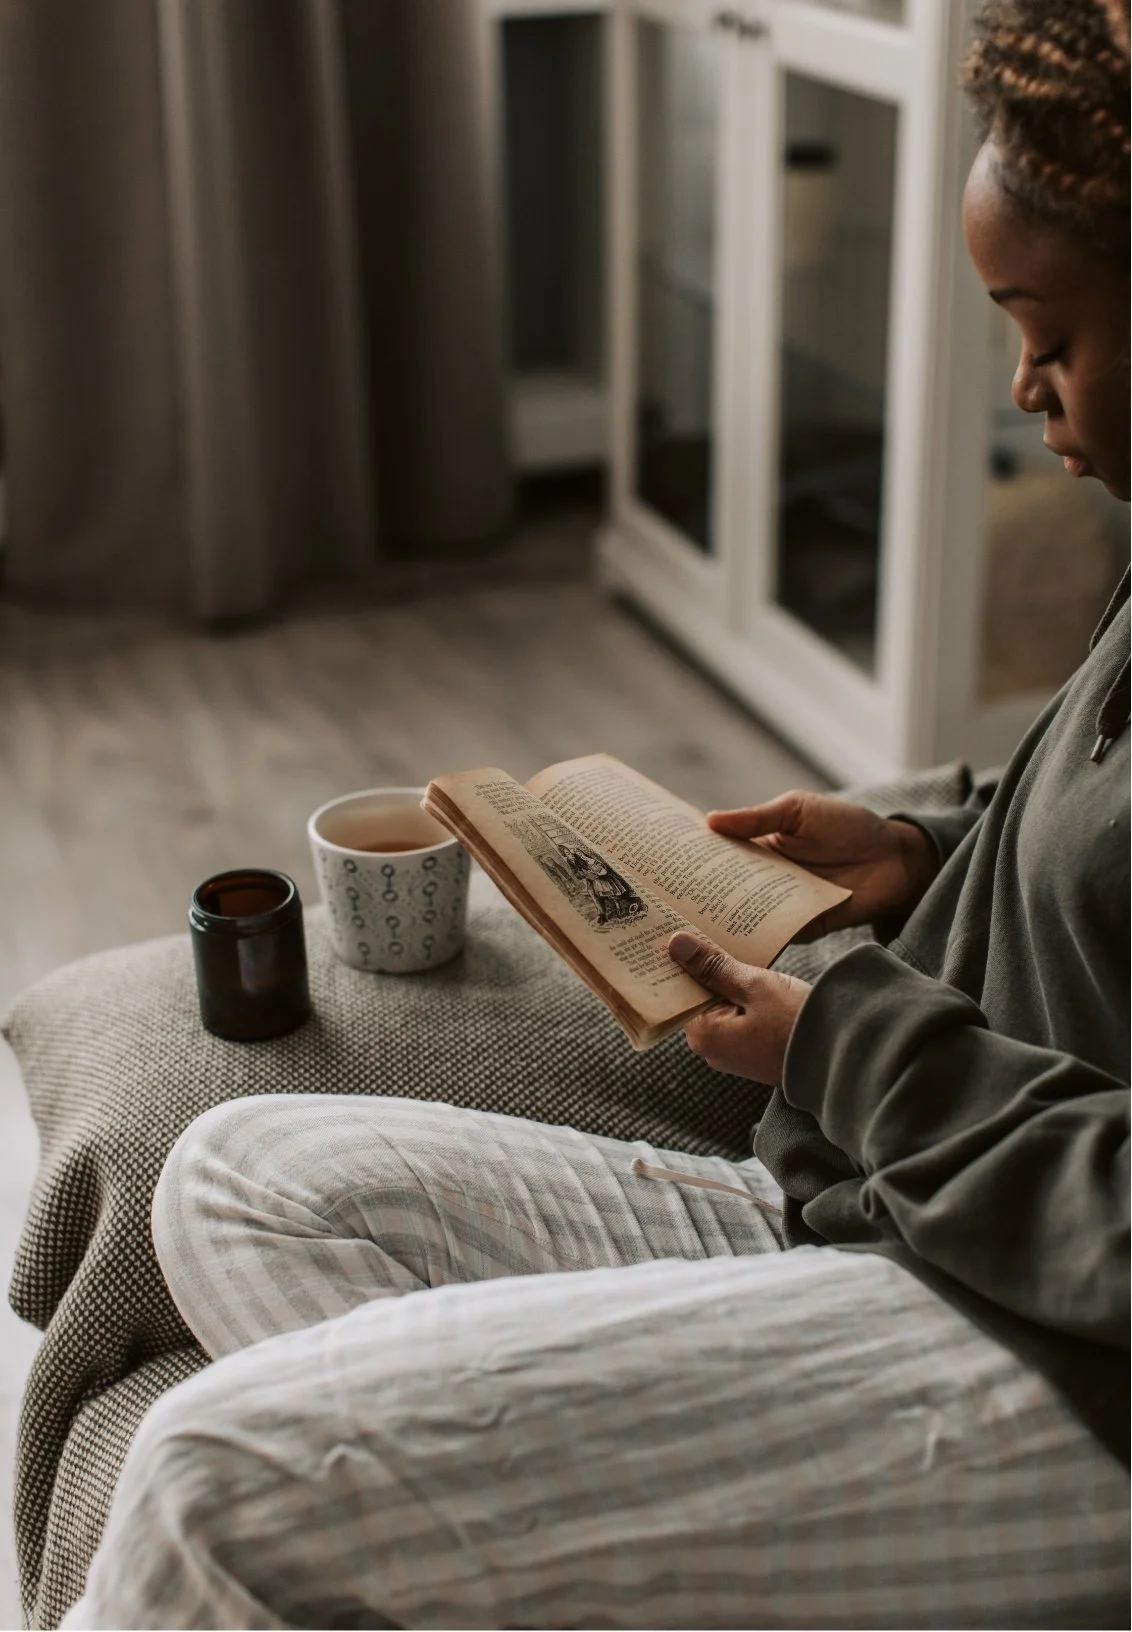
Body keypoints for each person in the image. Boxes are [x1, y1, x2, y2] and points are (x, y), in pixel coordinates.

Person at [62, 2, 1129, 1626]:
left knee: (213, 1482)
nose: (1023, 383)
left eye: (1045, 328)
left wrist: (842, 1037)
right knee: (237, 1175)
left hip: (1067, 1365)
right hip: (911, 1203)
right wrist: (922, 855)